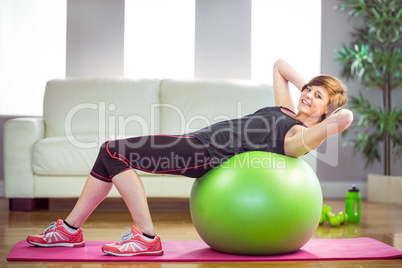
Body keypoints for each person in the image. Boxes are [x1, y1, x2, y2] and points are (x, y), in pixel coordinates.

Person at [26, 59, 353, 256]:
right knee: (106, 156)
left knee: (115, 150)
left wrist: (326, 118)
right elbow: (280, 65)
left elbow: (345, 119)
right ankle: (70, 230)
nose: (307, 95)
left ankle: (146, 238)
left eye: (317, 95)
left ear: (327, 110)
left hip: (205, 153)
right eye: (308, 90)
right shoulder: (285, 108)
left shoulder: (297, 135)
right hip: (197, 140)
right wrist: (312, 86)